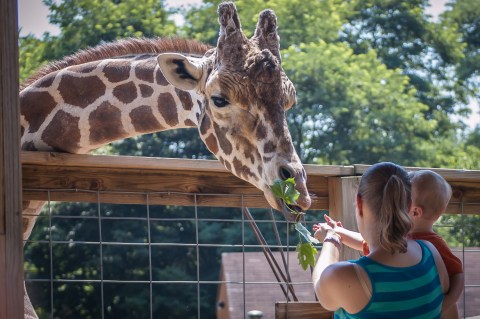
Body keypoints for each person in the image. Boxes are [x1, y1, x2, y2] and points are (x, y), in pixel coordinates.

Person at [317, 169, 464, 318]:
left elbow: (320, 287)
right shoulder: (430, 252)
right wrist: (339, 233)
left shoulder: (342, 276)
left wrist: (331, 240)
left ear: (359, 204)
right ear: (408, 206)